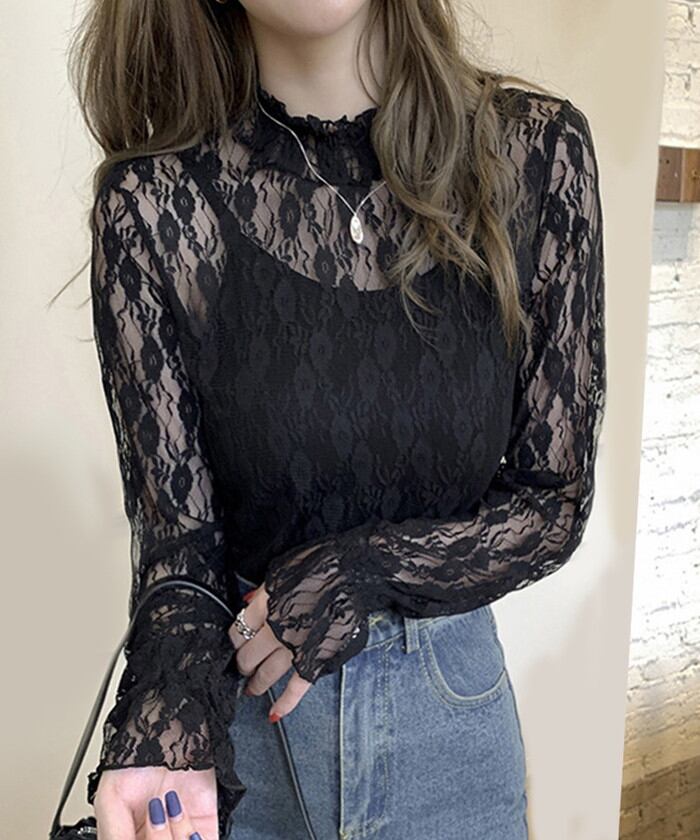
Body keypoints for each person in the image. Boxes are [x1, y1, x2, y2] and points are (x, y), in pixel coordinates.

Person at [66, 0, 606, 838]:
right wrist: (161, 728)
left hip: (450, 746)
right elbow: (180, 549)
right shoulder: (154, 205)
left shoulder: (536, 154)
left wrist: (360, 571)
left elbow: (553, 500)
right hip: (248, 745)